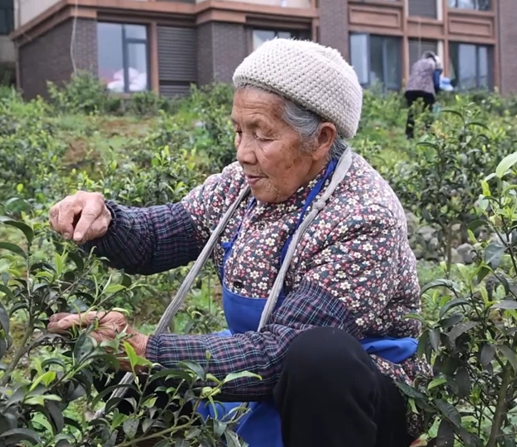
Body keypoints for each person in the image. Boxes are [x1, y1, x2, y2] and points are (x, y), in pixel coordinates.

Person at [47, 38, 429, 447]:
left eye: (262, 135)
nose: (243, 153)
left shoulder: (363, 214)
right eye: (238, 131)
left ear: (320, 139)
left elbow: (284, 353)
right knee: (109, 355)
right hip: (259, 362)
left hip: (356, 393)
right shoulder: (242, 184)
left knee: (320, 357)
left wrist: (147, 350)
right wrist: (106, 221)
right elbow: (162, 236)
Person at [404, 51, 443, 139]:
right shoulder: (434, 64)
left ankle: (409, 135)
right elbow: (436, 82)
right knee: (427, 112)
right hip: (426, 89)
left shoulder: (416, 63)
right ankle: (427, 134)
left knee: (411, 112)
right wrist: (436, 92)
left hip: (410, 89)